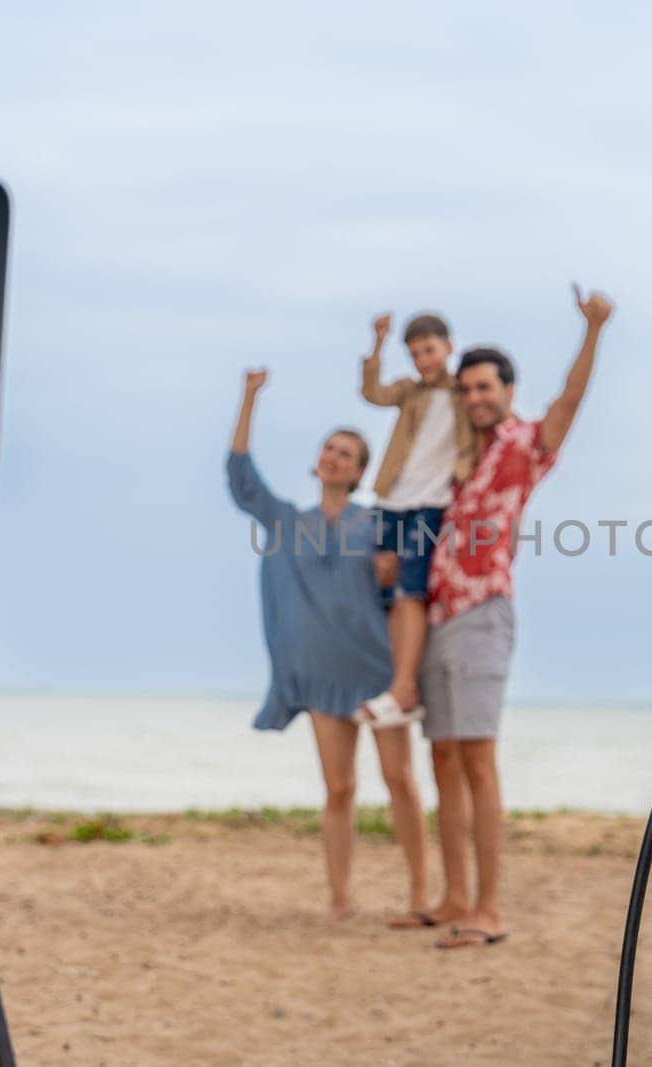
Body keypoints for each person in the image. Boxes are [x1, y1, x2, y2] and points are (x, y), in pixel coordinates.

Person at [420, 285, 614, 949]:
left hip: (484, 614)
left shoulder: (524, 444)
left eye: (485, 387)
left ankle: (490, 907)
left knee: (477, 758)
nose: (475, 397)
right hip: (437, 614)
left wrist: (592, 331)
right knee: (442, 757)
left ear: (506, 389)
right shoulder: (454, 457)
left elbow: (569, 400)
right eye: (467, 388)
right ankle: (452, 895)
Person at [226, 368, 431, 924]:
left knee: (399, 782)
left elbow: (406, 586)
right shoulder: (287, 522)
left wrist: (390, 575)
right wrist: (249, 398)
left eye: (346, 453)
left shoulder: (376, 524)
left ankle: (419, 893)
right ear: (318, 461)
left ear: (361, 471)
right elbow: (241, 477)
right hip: (321, 676)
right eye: (329, 449)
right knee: (339, 789)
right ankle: (339, 898)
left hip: (377, 671)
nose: (334, 457)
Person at [357, 311, 475, 726]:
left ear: (448, 346)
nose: (423, 360)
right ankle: (397, 684)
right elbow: (372, 392)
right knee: (387, 589)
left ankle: (405, 687)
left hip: (432, 503)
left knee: (412, 589)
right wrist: (377, 345)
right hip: (393, 499)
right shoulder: (410, 391)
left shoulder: (465, 394)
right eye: (415, 353)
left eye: (429, 350)